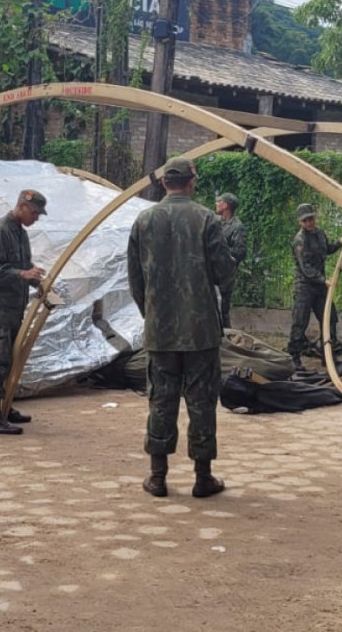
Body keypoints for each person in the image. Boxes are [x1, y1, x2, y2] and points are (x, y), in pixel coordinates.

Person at [127, 157, 236, 498]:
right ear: (192, 182)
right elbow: (224, 273)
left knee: (161, 399)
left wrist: (153, 313)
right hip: (200, 331)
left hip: (160, 331)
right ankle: (203, 478)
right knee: (202, 402)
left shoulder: (143, 221)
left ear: (163, 184)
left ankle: (158, 476)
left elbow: (135, 279)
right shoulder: (206, 219)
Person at [0, 190, 47, 435]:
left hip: (13, 309)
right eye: (35, 213)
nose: (37, 218)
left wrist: (34, 276)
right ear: (22, 206)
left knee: (10, 361)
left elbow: (21, 265)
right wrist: (22, 274)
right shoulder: (0, 231)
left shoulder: (20, 234)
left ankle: (6, 407)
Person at [287, 203, 342, 371]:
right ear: (300, 223)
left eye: (311, 219)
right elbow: (306, 268)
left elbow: (328, 249)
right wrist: (323, 279)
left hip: (320, 286)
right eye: (306, 220)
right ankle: (294, 357)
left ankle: (328, 355)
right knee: (300, 322)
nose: (309, 222)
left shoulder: (320, 234)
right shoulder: (300, 240)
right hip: (305, 286)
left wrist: (340, 242)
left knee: (329, 319)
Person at [215, 192, 247, 329]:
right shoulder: (214, 221)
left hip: (225, 275)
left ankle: (226, 339)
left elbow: (240, 252)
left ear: (225, 205)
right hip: (211, 272)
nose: (216, 203)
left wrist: (223, 253)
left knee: (223, 309)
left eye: (219, 201)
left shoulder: (237, 227)